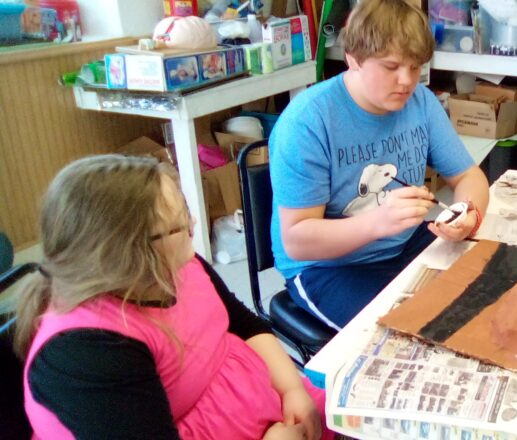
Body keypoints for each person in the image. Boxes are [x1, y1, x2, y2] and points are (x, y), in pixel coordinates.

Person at [13, 155, 330, 440]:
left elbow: (245, 325)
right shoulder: (86, 352)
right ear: (132, 252)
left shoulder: (177, 264)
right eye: (180, 224)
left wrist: (291, 389)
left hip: (268, 410)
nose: (192, 224)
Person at [270, 0, 490, 331]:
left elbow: (468, 175)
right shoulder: (307, 122)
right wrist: (378, 222)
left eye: (415, 67)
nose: (406, 81)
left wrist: (468, 213)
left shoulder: (421, 103)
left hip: (401, 245)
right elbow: (298, 240)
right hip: (327, 268)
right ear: (353, 58)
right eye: (391, 67)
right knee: (413, 334)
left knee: (489, 287)